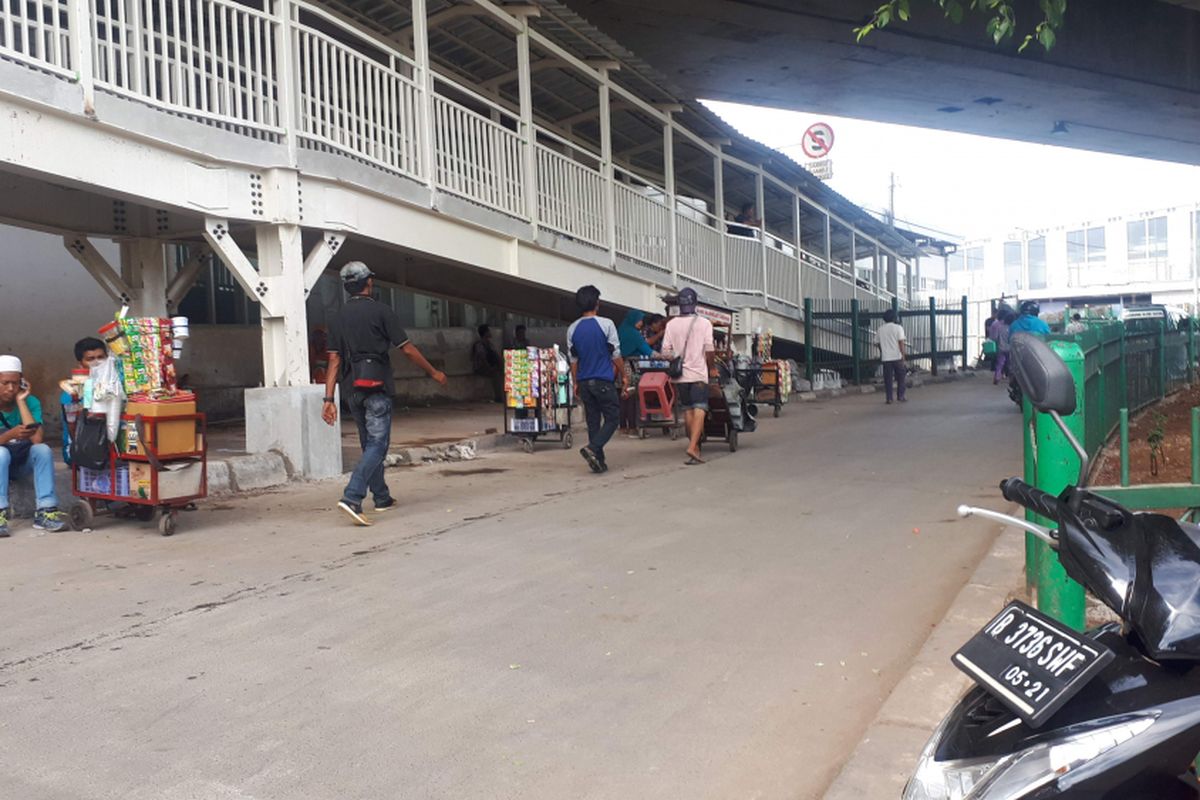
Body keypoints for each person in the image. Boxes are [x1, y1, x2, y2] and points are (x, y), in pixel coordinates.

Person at [322, 262, 447, 526]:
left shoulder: (337, 317)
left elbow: (333, 360)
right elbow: (408, 350)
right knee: (378, 445)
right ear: (368, 282)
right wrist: (433, 372)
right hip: (376, 386)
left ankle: (381, 497)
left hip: (350, 389)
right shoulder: (382, 312)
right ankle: (352, 496)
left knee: (370, 444)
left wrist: (328, 399)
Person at [0, 355, 68, 536]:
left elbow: (37, 439)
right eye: (5, 383)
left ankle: (46, 512)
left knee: (42, 450)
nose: (11, 388)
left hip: (21, 463)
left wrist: (22, 401)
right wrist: (9, 435)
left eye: (15, 383)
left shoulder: (31, 402)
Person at [567, 285, 624, 474]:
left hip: (584, 381)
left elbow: (573, 360)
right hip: (603, 380)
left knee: (593, 421)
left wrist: (575, 382)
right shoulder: (606, 324)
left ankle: (598, 461)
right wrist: (624, 375)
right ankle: (593, 448)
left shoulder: (572, 329)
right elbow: (615, 354)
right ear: (597, 303)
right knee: (613, 418)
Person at [662, 288, 715, 464]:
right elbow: (709, 350)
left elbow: (666, 352)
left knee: (688, 409)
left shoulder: (671, 324)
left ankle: (696, 447)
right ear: (695, 303)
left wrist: (676, 355)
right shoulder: (704, 323)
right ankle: (693, 446)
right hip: (698, 373)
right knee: (700, 408)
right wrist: (712, 368)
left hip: (680, 376)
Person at [59, 337, 108, 465]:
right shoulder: (72, 392)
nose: (97, 363)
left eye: (101, 357)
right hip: (80, 448)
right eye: (90, 359)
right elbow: (75, 430)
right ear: (80, 364)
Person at [617, 310, 654, 433]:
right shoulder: (633, 334)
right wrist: (662, 356)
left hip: (619, 367)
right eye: (640, 320)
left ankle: (623, 426)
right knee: (632, 396)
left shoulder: (621, 330)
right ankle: (632, 426)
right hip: (630, 368)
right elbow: (647, 350)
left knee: (623, 397)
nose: (641, 323)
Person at [877, 308, 908, 405]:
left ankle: (889, 398)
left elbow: (877, 343)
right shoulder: (898, 328)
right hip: (897, 356)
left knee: (888, 379)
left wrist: (883, 350)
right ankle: (900, 396)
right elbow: (901, 343)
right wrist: (903, 355)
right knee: (901, 377)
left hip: (886, 357)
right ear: (894, 317)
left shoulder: (880, 329)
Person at [471, 324, 503, 402]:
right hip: (482, 367)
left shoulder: (489, 344)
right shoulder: (480, 345)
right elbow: (482, 358)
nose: (490, 332)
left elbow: (495, 355)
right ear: (485, 333)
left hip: (490, 366)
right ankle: (499, 397)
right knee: (496, 375)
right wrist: (490, 368)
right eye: (488, 331)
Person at [993, 309, 1015, 385]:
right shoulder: (1012, 329)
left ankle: (997, 377)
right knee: (1010, 364)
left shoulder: (1000, 328)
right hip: (1010, 349)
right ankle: (1011, 379)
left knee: (999, 364)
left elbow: (995, 338)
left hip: (1001, 348)